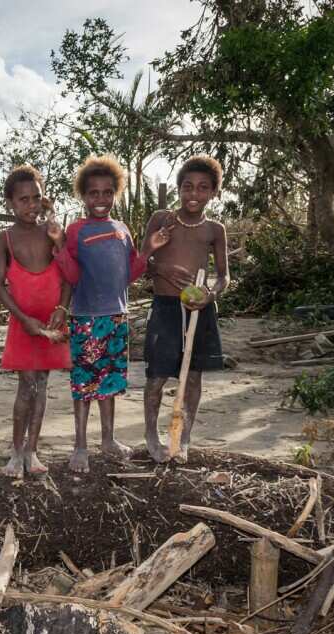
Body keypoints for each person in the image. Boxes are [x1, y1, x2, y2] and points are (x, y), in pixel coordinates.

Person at [54, 155, 166, 473]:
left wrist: (147, 251)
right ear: (84, 195)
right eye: (93, 193)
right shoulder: (76, 230)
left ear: (116, 192)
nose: (100, 199)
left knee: (110, 382)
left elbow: (127, 275)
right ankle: (80, 445)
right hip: (86, 319)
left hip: (117, 316)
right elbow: (72, 277)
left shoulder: (122, 229)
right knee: (84, 384)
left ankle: (108, 439)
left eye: (107, 192)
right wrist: (59, 250)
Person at [142, 155, 230, 463]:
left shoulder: (214, 230)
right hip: (166, 307)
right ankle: (151, 434)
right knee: (156, 377)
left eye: (203, 188)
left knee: (193, 378)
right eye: (188, 187)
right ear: (179, 189)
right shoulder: (161, 219)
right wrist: (161, 270)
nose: (194, 194)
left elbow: (224, 275)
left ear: (213, 193)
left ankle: (183, 437)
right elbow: (141, 263)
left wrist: (210, 294)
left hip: (199, 311)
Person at [0, 165, 72, 477]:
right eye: (23, 199)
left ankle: (33, 451)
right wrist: (23, 318)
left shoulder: (52, 232)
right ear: (10, 202)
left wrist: (62, 310)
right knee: (26, 385)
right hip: (23, 323)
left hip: (52, 321)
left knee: (42, 384)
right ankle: (16, 452)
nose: (31, 205)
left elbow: (68, 277)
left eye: (36, 197)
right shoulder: (4, 240)